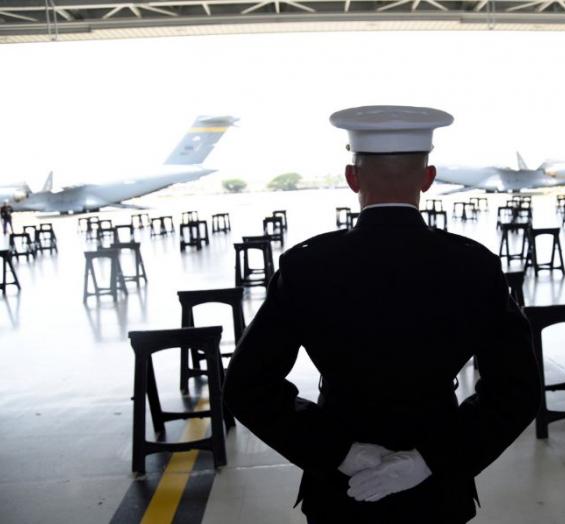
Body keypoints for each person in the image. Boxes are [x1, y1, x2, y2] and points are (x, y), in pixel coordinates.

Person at [223, 105, 541, 524]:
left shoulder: (308, 266)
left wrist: (341, 452)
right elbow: (518, 390)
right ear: (428, 179)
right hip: (438, 490)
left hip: (342, 491)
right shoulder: (473, 266)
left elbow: (247, 387)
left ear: (352, 177)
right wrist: (428, 460)